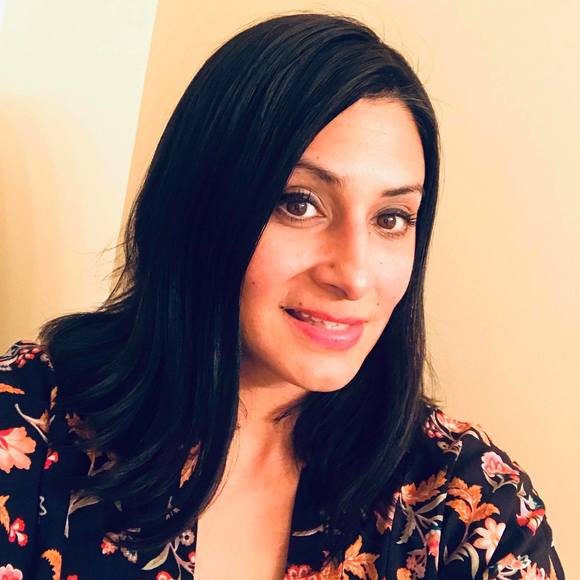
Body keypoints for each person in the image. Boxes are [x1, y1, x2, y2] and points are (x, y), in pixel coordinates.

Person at [0, 12, 564, 580]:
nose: (355, 276)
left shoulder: (473, 512)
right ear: (200, 204)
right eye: (299, 203)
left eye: (392, 218)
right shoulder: (25, 427)